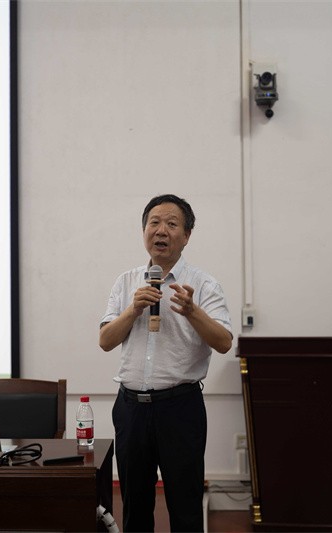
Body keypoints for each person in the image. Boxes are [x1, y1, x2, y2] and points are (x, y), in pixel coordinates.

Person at [99, 194, 233, 532]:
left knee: (185, 509)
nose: (161, 230)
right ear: (143, 230)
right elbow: (105, 340)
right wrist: (133, 310)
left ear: (186, 236)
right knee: (135, 509)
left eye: (172, 224)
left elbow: (223, 342)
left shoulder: (203, 284)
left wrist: (192, 311)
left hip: (180, 408)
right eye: (154, 223)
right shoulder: (126, 282)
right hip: (131, 409)